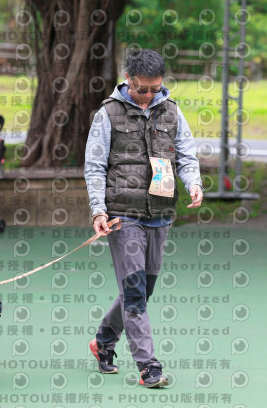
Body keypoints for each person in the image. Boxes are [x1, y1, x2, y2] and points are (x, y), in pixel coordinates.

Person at [84, 49, 203, 388]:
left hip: (161, 212)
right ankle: (148, 366)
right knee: (135, 290)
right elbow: (94, 165)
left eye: (155, 88)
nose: (149, 95)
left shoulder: (172, 111)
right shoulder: (108, 113)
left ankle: (103, 340)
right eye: (142, 89)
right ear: (128, 80)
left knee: (141, 290)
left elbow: (187, 154)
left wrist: (194, 183)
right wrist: (98, 209)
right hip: (123, 214)